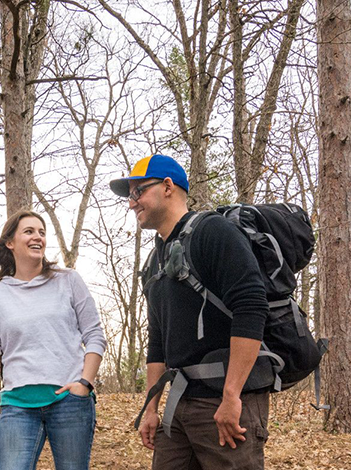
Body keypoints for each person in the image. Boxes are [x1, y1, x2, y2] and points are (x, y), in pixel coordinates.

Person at [111, 155, 270, 470]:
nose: (132, 203)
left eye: (137, 192)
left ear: (167, 186)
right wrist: (151, 407)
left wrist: (231, 395)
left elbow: (251, 306)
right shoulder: (155, 260)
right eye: (130, 196)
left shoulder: (214, 232)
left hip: (224, 401)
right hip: (179, 401)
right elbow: (158, 338)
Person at [0, 210, 107, 470]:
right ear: (10, 242)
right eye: (29, 231)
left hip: (69, 402)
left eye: (42, 232)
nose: (38, 237)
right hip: (17, 405)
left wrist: (84, 383)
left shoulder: (67, 280)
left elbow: (94, 334)